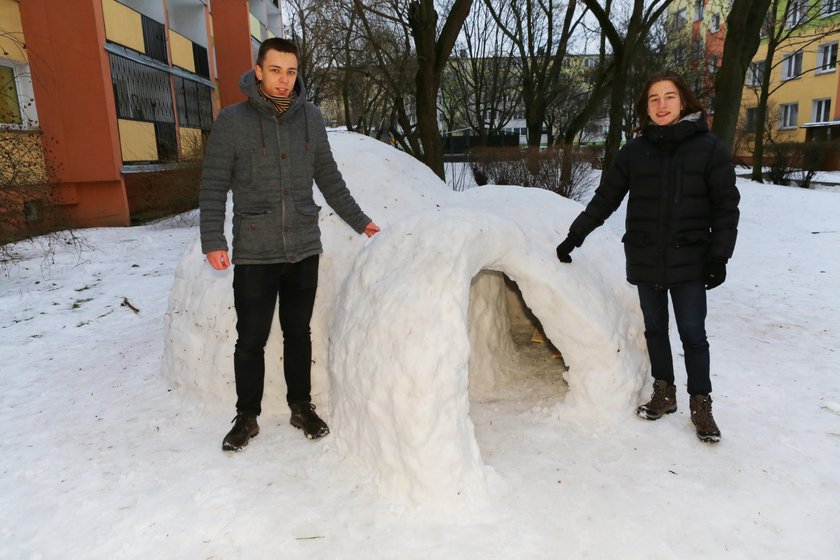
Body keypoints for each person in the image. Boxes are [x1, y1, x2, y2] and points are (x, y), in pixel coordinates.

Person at [199, 38, 380, 451]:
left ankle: (301, 406)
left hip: (303, 246)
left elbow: (328, 177)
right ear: (258, 71)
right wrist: (213, 239)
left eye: (292, 71)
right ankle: (247, 416)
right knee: (251, 338)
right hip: (254, 249)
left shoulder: (311, 119)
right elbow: (212, 186)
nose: (284, 80)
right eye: (276, 70)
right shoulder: (232, 121)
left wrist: (362, 221)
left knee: (298, 332)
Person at [555, 71, 739, 443]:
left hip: (689, 260)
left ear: (683, 101)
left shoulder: (709, 150)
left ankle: (701, 404)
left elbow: (726, 207)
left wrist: (719, 257)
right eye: (654, 99)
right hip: (645, 256)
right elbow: (606, 198)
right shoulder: (634, 152)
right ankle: (664, 391)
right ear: (645, 108)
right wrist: (575, 235)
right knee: (654, 328)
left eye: (669, 97)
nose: (661, 105)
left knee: (692, 333)